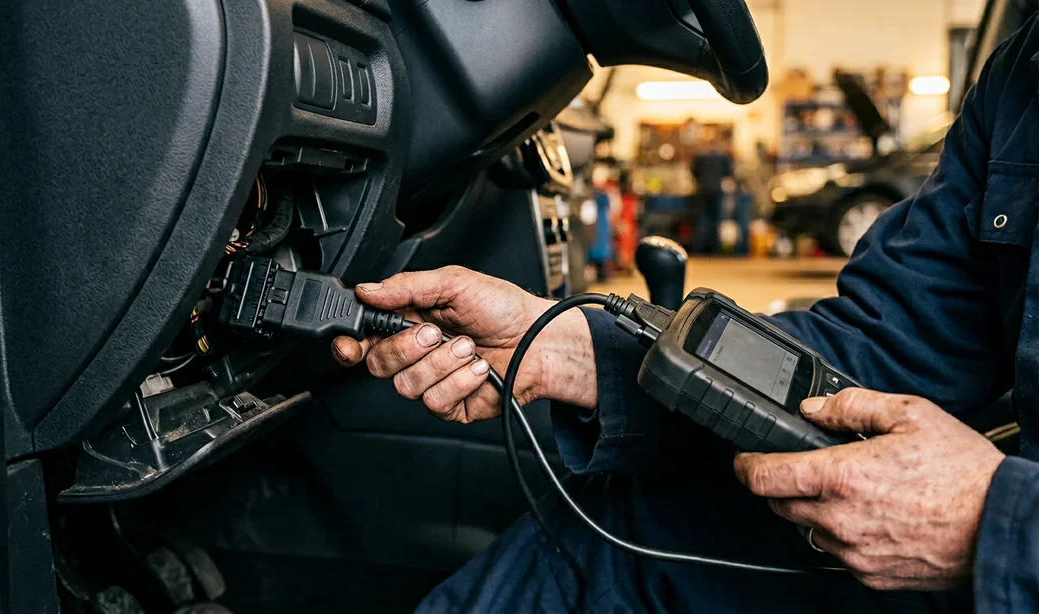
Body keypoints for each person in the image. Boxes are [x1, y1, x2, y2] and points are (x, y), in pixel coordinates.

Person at [330, 19, 1039, 614]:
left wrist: (990, 525)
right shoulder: (1024, 75)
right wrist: (568, 348)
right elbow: (889, 345)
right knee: (637, 529)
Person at [689, 142, 734, 254]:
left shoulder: (700, 157)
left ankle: (699, 248)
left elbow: (693, 171)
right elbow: (728, 172)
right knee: (716, 219)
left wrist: (700, 180)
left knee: (702, 219)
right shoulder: (722, 157)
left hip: (702, 190)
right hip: (716, 190)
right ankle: (714, 248)